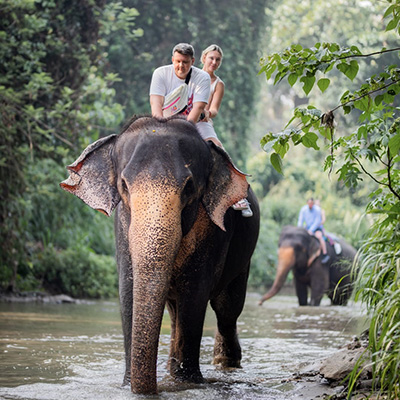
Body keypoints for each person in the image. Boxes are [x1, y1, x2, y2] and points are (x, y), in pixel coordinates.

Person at [198, 44, 252, 217]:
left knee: (217, 147)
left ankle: (237, 194)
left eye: (217, 60)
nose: (214, 62)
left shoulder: (218, 84)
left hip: (201, 121)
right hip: (182, 118)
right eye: (211, 58)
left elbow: (214, 110)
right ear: (204, 57)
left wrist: (205, 113)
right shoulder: (191, 75)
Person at [149, 43, 210, 125]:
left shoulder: (203, 77)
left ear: (192, 61)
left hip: (195, 123)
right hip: (165, 122)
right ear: (172, 60)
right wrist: (160, 126)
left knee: (212, 138)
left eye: (185, 62)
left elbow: (198, 107)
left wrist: (184, 129)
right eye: (178, 61)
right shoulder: (160, 73)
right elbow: (156, 103)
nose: (181, 65)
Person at [298, 197, 330, 264]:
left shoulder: (318, 210)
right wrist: (300, 230)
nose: (310, 205)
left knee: (319, 236)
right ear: (307, 203)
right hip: (307, 227)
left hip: (316, 228)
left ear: (313, 203)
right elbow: (300, 221)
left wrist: (311, 230)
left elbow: (317, 221)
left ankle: (325, 253)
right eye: (309, 203)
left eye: (311, 203)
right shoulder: (303, 210)